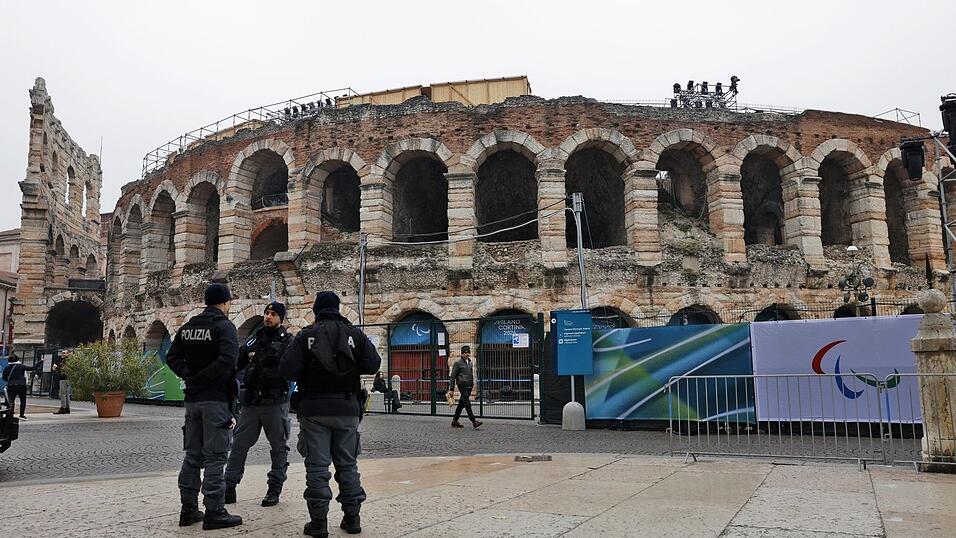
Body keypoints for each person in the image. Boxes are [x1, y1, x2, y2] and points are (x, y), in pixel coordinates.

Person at [280, 291, 381, 537]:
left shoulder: (306, 335)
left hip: (314, 408)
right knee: (348, 463)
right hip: (347, 408)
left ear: (316, 310)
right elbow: (373, 364)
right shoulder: (355, 334)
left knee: (317, 466)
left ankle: (318, 522)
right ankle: (352, 518)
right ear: (338, 308)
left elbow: (287, 369)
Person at [165, 283, 243, 530]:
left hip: (193, 400)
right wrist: (206, 376)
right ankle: (214, 511)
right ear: (225, 302)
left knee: (193, 455)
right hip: (216, 399)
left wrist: (189, 374)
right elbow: (229, 359)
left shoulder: (188, 327)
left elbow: (172, 357)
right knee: (216, 457)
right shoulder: (224, 327)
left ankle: (188, 510)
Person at [224, 302, 293, 508]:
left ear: (281, 318)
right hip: (252, 402)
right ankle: (229, 486)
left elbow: (288, 366)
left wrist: (261, 360)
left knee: (279, 447)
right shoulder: (255, 337)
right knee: (238, 445)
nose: (268, 317)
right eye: (266, 313)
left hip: (275, 402)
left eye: (273, 314)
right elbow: (239, 360)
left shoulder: (287, 340)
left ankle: (274, 488)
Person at [449, 345, 482, 429]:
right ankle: (474, 421)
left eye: (468, 352)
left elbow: (471, 374)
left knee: (461, 404)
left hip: (469, 386)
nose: (467, 354)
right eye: (465, 353)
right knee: (467, 403)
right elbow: (452, 376)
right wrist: (451, 389)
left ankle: (455, 421)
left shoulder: (470, 362)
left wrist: (472, 384)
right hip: (462, 386)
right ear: (462, 353)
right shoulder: (458, 363)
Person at [2, 354, 34, 420]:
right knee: (23, 401)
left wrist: (9, 381)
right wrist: (41, 361)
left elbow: (4, 377)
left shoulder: (7, 367)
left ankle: (11, 414)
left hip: (11, 386)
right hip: (21, 385)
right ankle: (21, 415)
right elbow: (32, 368)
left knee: (11, 401)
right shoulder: (21, 366)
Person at [52, 350, 71, 414]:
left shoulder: (66, 361)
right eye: (62, 353)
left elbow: (63, 370)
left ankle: (63, 408)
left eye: (64, 353)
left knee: (63, 394)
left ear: (68, 354)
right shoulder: (66, 360)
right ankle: (67, 408)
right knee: (66, 394)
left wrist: (56, 367)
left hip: (64, 379)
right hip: (66, 378)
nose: (62, 354)